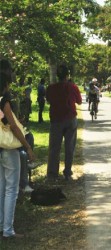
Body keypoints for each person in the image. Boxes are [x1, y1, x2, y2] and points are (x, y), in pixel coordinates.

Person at [1, 59, 35, 239]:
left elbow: (4, 122)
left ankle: (1, 226)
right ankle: (8, 230)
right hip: (8, 149)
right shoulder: (4, 100)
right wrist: (27, 146)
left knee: (1, 187)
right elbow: (13, 127)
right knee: (11, 190)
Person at [46, 64, 82, 181]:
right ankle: (67, 173)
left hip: (56, 120)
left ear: (57, 75)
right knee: (69, 147)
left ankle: (52, 175)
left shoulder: (51, 88)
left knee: (54, 148)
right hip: (70, 119)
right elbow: (79, 101)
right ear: (67, 75)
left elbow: (48, 100)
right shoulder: (73, 87)